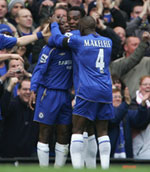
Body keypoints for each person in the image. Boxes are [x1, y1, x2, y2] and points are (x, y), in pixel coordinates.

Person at [50, 15, 114, 169]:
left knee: (77, 129)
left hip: (87, 90)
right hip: (106, 90)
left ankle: (77, 168)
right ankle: (105, 168)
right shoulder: (108, 42)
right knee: (103, 131)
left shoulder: (79, 41)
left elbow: (58, 39)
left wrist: (53, 24)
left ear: (82, 28)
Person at [29, 15, 72, 167]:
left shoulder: (73, 46)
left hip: (66, 94)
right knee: (45, 132)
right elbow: (39, 70)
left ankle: (58, 169)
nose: (66, 25)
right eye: (62, 23)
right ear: (56, 28)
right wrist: (33, 89)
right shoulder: (49, 48)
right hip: (49, 93)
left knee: (64, 132)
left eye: (68, 22)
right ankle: (43, 169)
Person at [0, 77, 39, 157]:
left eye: (30, 89)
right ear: (18, 91)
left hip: (29, 155)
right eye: (25, 89)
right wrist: (10, 87)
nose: (28, 92)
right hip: (9, 154)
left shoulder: (37, 107)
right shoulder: (12, 104)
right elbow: (4, 110)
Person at [109, 87, 150, 158]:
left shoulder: (126, 112)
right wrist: (125, 104)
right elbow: (114, 119)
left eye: (119, 97)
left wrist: (143, 105)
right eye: (115, 97)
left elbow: (139, 120)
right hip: (109, 155)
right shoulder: (105, 113)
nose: (118, 99)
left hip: (126, 155)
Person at [110, 32, 150, 99]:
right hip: (127, 102)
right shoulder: (117, 64)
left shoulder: (147, 61)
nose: (138, 48)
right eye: (134, 45)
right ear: (126, 47)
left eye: (139, 45)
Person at [130, 75, 150, 159]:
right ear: (140, 87)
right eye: (145, 84)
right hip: (141, 147)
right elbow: (138, 123)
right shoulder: (133, 103)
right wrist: (143, 104)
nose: (148, 86)